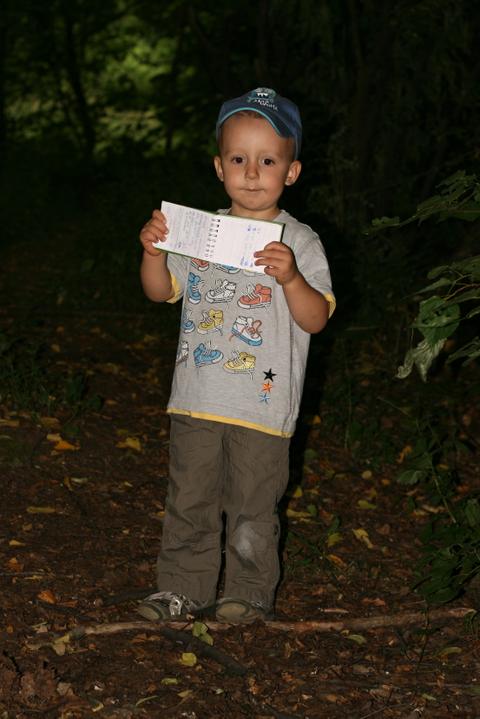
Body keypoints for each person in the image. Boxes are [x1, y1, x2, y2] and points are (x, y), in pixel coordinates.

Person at [137, 87, 335, 624]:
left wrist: (291, 278)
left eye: (267, 161)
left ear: (291, 171)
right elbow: (159, 291)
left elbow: (316, 319)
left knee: (252, 505)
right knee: (190, 499)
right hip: (197, 397)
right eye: (239, 158)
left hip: (263, 407)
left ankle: (248, 593)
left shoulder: (300, 241)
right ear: (219, 166)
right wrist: (153, 252)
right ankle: (182, 589)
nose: (251, 172)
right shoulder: (200, 233)